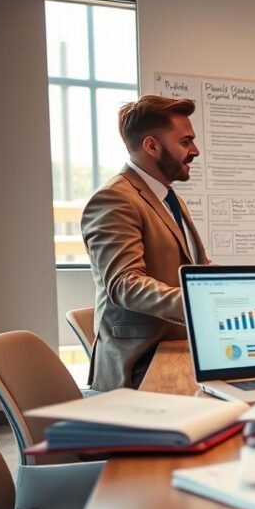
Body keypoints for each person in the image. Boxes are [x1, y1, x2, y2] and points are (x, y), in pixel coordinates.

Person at [81, 95, 209, 391]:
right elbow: (125, 283)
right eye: (185, 142)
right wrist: (200, 303)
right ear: (152, 146)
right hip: (139, 365)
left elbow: (196, 267)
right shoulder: (114, 199)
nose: (195, 151)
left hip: (176, 347)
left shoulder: (166, 197)